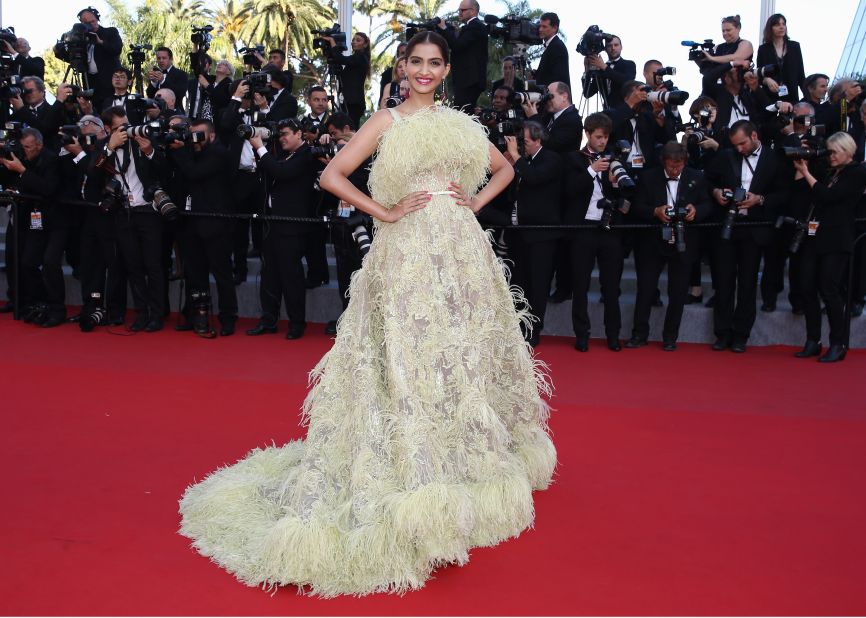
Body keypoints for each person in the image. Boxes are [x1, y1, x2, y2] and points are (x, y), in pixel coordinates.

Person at [179, 30, 555, 597]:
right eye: (415, 62)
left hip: (460, 252)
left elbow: (505, 170)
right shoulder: (386, 122)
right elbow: (331, 176)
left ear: (447, 68)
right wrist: (385, 210)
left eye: (434, 63)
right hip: (404, 255)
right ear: (402, 67)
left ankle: (464, 453)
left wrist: (473, 203)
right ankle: (412, 461)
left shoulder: (463, 125)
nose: (424, 71)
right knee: (407, 351)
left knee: (461, 350)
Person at [707, 120, 791, 353]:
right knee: (723, 283)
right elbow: (708, 180)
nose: (739, 149)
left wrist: (760, 199)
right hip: (727, 225)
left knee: (747, 283)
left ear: (754, 135)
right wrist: (716, 193)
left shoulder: (774, 159)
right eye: (735, 145)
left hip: (755, 228)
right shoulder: (725, 156)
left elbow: (785, 193)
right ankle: (722, 333)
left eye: (742, 143)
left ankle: (741, 335)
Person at [626, 142, 711, 351]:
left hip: (684, 241)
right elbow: (636, 207)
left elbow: (708, 205)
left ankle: (670, 337)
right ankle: (639, 334)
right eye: (672, 165)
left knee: (679, 291)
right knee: (645, 289)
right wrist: (655, 211)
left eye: (679, 165)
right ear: (664, 161)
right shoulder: (648, 177)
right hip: (652, 242)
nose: (675, 169)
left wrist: (695, 211)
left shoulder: (696, 177)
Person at [791, 132, 866, 362]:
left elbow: (829, 197)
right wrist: (803, 163)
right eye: (829, 151)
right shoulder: (829, 173)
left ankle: (838, 343)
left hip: (837, 239)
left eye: (834, 152)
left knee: (829, 289)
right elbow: (804, 191)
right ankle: (813, 340)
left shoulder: (858, 172)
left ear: (848, 151)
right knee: (806, 286)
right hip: (815, 237)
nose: (830, 156)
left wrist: (806, 173)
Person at [438, 0, 489, 111]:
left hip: (469, 81)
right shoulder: (471, 27)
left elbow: (457, 45)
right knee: (462, 113)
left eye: (463, 10)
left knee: (462, 114)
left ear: (473, 11)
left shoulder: (475, 26)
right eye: (459, 10)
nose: (459, 13)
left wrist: (444, 28)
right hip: (467, 80)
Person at [320, 32, 371, 128]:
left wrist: (332, 41)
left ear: (365, 44)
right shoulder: (356, 59)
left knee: (351, 128)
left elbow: (341, 59)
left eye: (358, 40)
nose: (353, 42)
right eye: (353, 40)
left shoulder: (360, 58)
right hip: (350, 101)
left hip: (353, 102)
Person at [756, 13, 805, 106]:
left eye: (783, 24)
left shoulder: (794, 46)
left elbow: (800, 74)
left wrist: (808, 99)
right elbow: (759, 74)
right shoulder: (763, 49)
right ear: (770, 28)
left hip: (792, 97)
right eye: (777, 24)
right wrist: (766, 79)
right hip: (770, 98)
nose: (781, 27)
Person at [581, 35, 635, 109]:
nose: (613, 48)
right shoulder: (601, 68)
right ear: (605, 49)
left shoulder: (629, 64)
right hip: (607, 113)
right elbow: (587, 93)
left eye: (616, 45)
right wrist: (586, 71)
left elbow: (627, 81)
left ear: (621, 47)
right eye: (609, 46)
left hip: (625, 111)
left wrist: (604, 67)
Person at [534, 13, 570, 89]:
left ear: (555, 28)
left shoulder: (557, 46)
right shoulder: (552, 45)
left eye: (544, 27)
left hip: (555, 96)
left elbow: (558, 77)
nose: (540, 29)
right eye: (540, 26)